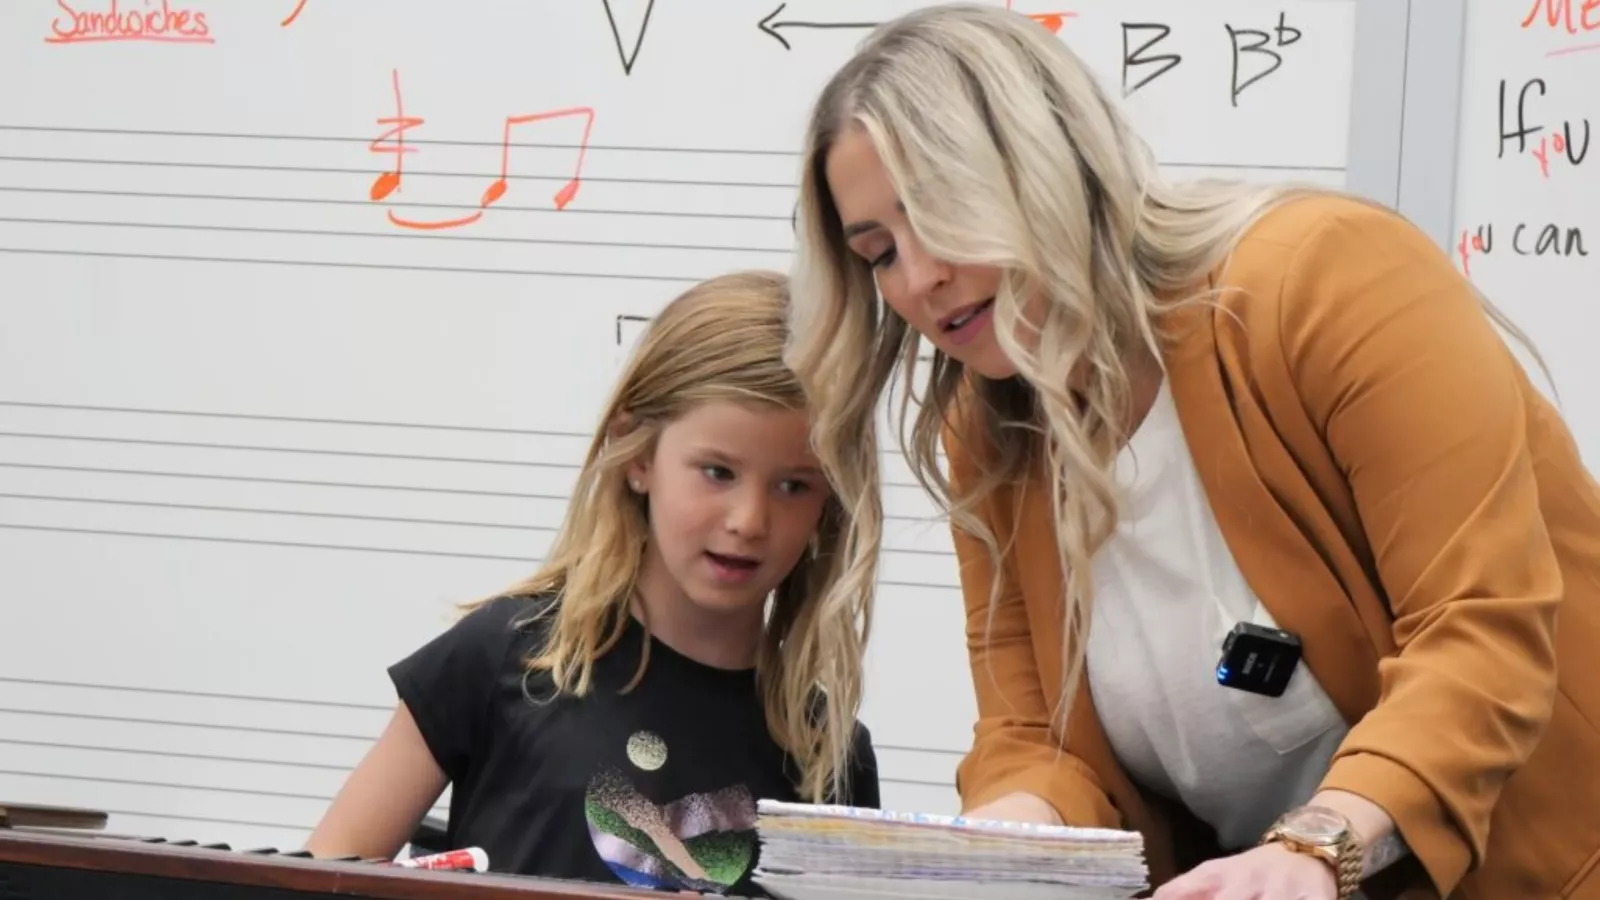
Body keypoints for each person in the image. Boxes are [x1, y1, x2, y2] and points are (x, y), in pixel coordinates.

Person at [782, 5, 1600, 900]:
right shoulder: (989, 434)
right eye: (879, 253)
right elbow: (1036, 742)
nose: (915, 280)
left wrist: (1318, 846)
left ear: (1043, 162)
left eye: (936, 212)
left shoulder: (1326, 278)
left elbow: (1480, 626)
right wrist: (991, 848)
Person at [305, 271, 880, 897]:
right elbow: (314, 882)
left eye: (793, 485)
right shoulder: (505, 654)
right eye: (717, 472)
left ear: (829, 501)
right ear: (636, 456)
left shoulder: (833, 757)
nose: (749, 521)